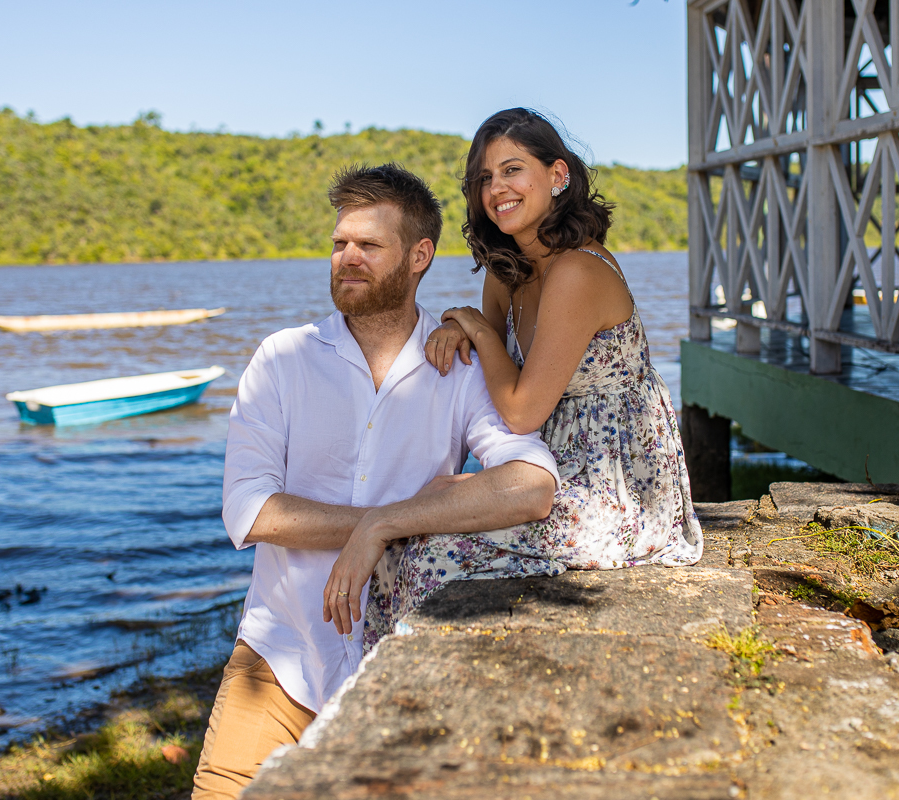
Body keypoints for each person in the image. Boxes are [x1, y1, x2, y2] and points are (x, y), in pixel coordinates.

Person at [193, 163, 560, 800]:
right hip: (279, 657)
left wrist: (387, 525)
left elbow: (532, 485)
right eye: (339, 244)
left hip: (401, 663)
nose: (348, 258)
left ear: (420, 255)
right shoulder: (283, 358)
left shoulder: (459, 369)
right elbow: (248, 509)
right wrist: (372, 526)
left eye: (369, 246)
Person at [362, 108, 703, 649]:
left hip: (615, 484)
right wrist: (461, 331)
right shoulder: (507, 274)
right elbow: (487, 378)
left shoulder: (577, 271)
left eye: (513, 170)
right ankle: (375, 704)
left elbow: (520, 409)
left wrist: (480, 331)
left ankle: (436, 690)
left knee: (429, 555)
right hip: (542, 466)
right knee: (400, 540)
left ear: (557, 176)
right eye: (484, 178)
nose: (497, 188)